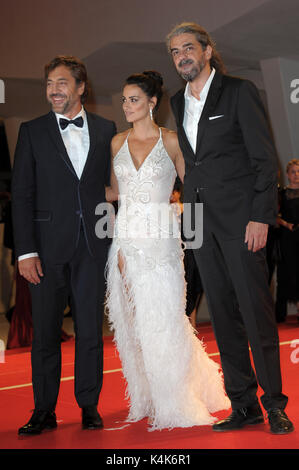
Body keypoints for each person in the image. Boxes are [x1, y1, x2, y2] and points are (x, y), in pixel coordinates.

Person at [167, 22, 294, 434]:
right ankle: (243, 404)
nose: (182, 55)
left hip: (243, 222)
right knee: (221, 316)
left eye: (189, 48)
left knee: (256, 314)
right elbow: (194, 165)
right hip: (201, 223)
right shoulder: (176, 100)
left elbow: (263, 160)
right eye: (174, 51)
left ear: (206, 51)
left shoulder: (239, 92)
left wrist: (261, 215)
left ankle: (274, 403)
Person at [105, 71, 230, 431]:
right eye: (125, 100)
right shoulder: (116, 143)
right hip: (126, 242)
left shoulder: (172, 141)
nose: (127, 106)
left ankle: (175, 400)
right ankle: (148, 396)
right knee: (135, 325)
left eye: (134, 99)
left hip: (162, 241)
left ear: (152, 102)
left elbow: (194, 187)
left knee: (165, 320)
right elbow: (114, 192)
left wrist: (195, 225)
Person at [12, 55, 116, 435]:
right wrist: (25, 251)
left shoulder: (107, 129)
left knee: (90, 330)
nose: (53, 90)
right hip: (45, 250)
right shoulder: (32, 130)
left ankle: (89, 405)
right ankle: (43, 410)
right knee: (45, 334)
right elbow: (21, 194)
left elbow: (112, 189)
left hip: (93, 247)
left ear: (81, 87)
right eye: (49, 84)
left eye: (61, 83)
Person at [170, 180, 203, 328]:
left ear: (178, 193)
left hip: (187, 256)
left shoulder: (186, 210)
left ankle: (193, 324)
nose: (172, 195)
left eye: (174, 192)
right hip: (170, 256)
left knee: (191, 288)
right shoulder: (161, 211)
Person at [275, 159, 299, 322]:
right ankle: (282, 312)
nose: (296, 175)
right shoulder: (282, 194)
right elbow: (272, 215)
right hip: (288, 238)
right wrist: (286, 224)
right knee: (289, 272)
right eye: (293, 172)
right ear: (287, 175)